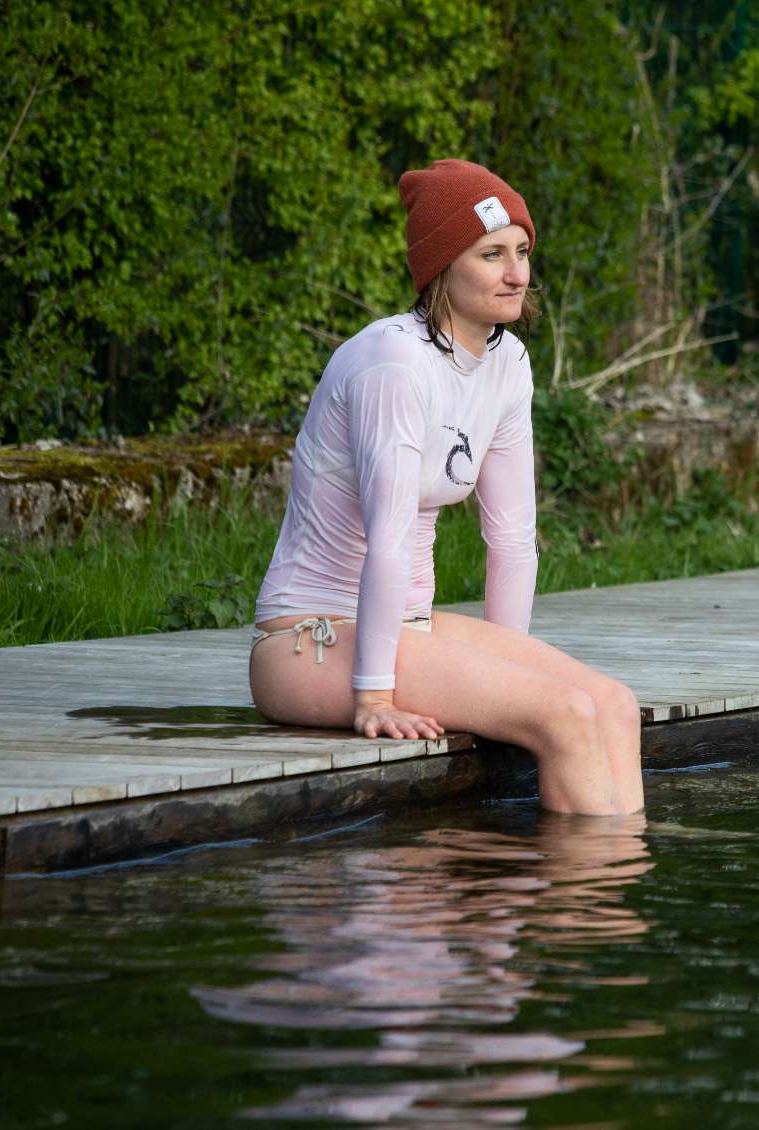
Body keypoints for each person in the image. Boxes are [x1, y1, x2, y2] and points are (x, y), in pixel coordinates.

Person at [246, 158, 643, 815]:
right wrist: (373, 696)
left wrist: (510, 679)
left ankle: (614, 894)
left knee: (612, 706)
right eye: (492, 254)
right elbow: (390, 538)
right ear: (440, 268)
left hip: (411, 628)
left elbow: (513, 539)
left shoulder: (507, 362)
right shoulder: (392, 363)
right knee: (567, 717)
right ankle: (581, 909)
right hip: (309, 642)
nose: (517, 272)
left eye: (521, 251)